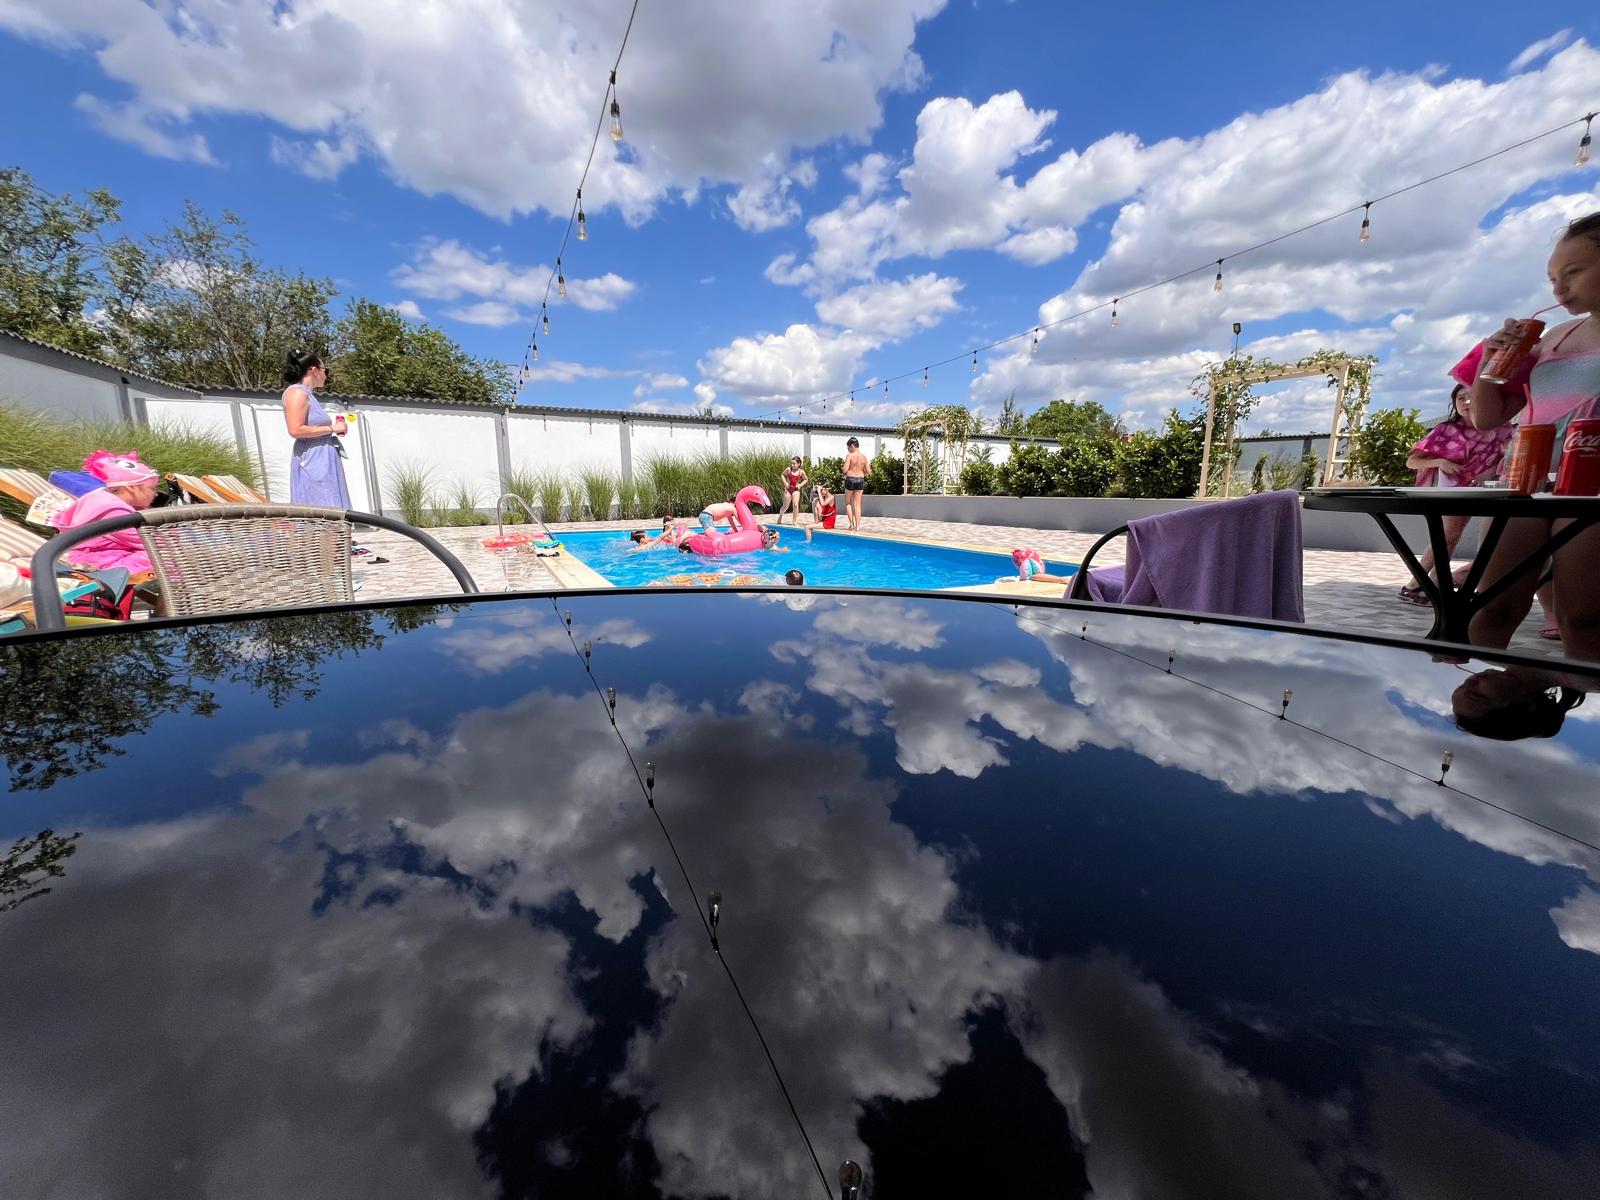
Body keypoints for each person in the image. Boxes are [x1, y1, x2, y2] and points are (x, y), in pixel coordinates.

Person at [1465, 211, 1600, 660]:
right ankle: (1474, 688)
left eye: (1573, 272)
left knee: (1583, 617)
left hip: (1591, 491)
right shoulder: (1554, 337)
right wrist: (1492, 360)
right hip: (1526, 480)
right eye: (1553, 278)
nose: (1559, 289)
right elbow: (1488, 417)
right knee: (1493, 605)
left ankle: (1584, 700)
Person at [1397, 383, 1513, 606]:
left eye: (1472, 396)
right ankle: (1414, 585)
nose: (1466, 402)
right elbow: (1412, 462)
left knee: (1452, 536)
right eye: (1461, 398)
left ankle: (1433, 586)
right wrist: (1441, 462)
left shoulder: (1501, 430)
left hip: (1477, 493)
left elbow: (1507, 458)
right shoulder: (1446, 430)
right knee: (1448, 536)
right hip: (1449, 491)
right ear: (1454, 403)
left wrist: (1488, 473)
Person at [50, 450, 162, 574]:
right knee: (161, 555)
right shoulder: (114, 512)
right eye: (152, 488)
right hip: (98, 564)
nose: (156, 494)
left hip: (83, 555)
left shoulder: (99, 497)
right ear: (132, 487)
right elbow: (150, 542)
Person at [282, 350, 350, 508]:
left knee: (330, 505)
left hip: (320, 459)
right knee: (320, 506)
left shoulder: (307, 394)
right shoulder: (297, 393)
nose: (326, 375)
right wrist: (332, 428)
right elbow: (295, 430)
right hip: (312, 460)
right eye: (325, 370)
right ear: (314, 370)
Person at [1452, 663, 1587, 740]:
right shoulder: (1582, 675)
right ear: (1523, 705)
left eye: (1461, 687)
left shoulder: (1491, 646)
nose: (1469, 682)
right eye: (1477, 695)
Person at [842, 437, 870, 531]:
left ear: (852, 446)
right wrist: (861, 474)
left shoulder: (849, 456)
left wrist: (850, 471)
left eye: (848, 447)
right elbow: (868, 471)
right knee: (857, 505)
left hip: (850, 479)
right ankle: (857, 526)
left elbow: (845, 470)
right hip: (860, 479)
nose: (848, 449)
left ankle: (851, 525)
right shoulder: (864, 457)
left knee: (848, 503)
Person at [776, 456, 808, 525]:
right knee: (785, 506)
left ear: (799, 464)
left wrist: (800, 485)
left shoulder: (801, 472)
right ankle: (780, 516)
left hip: (796, 490)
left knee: (796, 505)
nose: (792, 465)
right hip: (788, 490)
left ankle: (794, 521)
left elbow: (806, 479)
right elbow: (782, 475)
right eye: (792, 463)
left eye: (794, 463)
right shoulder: (788, 469)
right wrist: (785, 482)